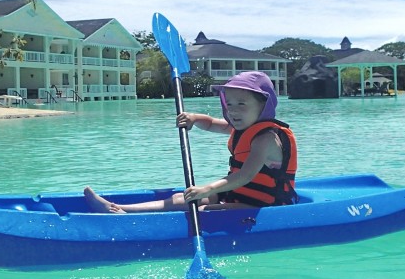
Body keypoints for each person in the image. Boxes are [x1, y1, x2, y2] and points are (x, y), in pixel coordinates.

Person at [84, 71, 297, 213]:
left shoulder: (266, 139)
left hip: (267, 205)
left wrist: (207, 189)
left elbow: (245, 175)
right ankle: (121, 209)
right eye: (229, 103)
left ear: (264, 106)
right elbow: (213, 124)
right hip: (238, 195)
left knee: (203, 209)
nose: (233, 110)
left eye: (242, 104)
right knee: (181, 198)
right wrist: (194, 118)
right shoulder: (243, 129)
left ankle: (128, 215)